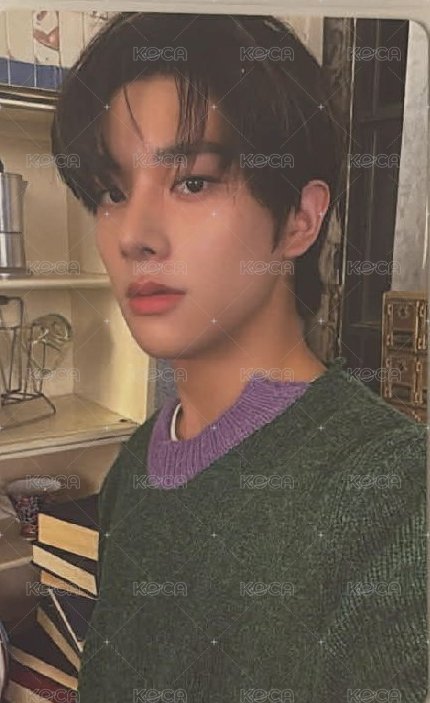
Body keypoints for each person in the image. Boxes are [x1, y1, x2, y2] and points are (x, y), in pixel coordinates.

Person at [51, 12, 427, 703]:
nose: (134, 234)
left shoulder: (396, 499)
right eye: (113, 191)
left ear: (300, 219)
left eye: (192, 182)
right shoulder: (134, 467)